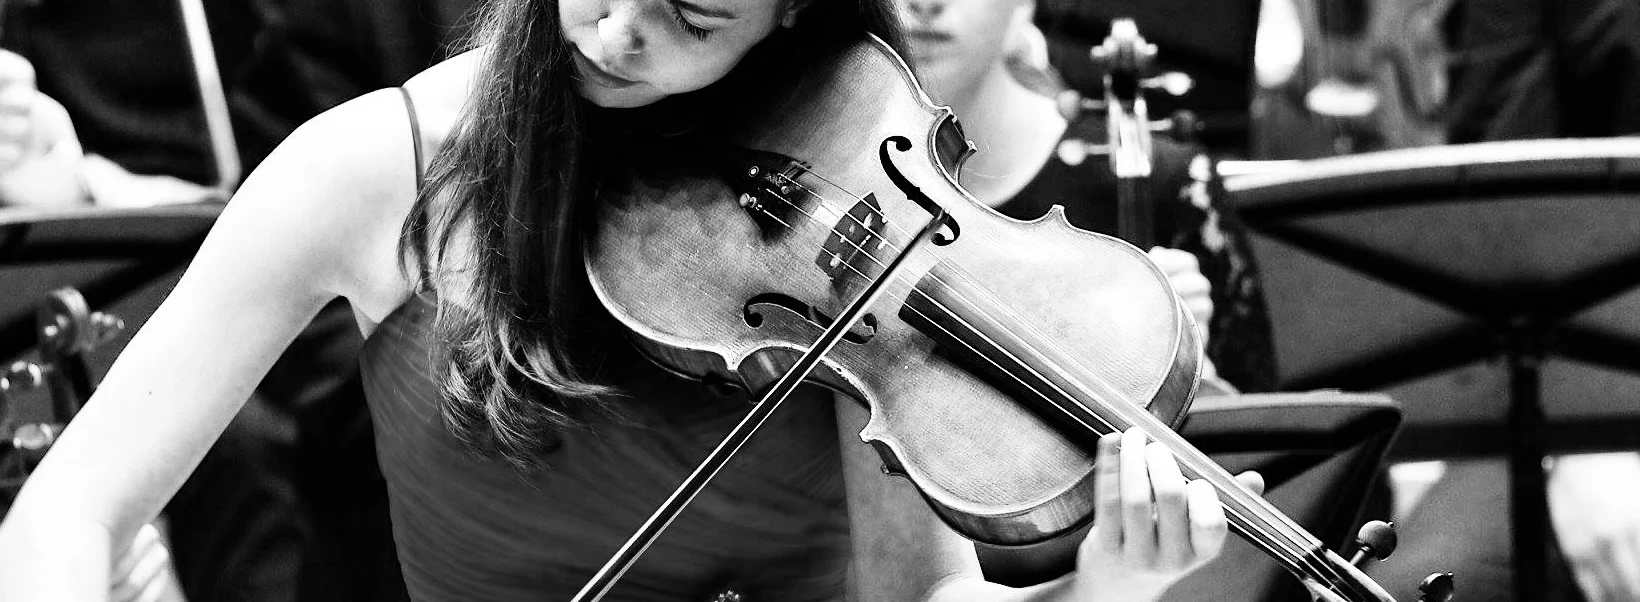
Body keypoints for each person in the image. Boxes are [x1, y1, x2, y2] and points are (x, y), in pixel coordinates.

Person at [0, 0, 1263, 600]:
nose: (612, 35)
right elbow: (71, 503)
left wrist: (1104, 590)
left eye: (691, 17)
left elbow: (915, 597)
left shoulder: (843, 198)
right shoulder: (371, 168)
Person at [896, 0, 1277, 394]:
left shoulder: (1171, 183)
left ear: (1022, 7)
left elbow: (1267, 424)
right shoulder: (855, 190)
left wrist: (1190, 374)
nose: (925, 3)